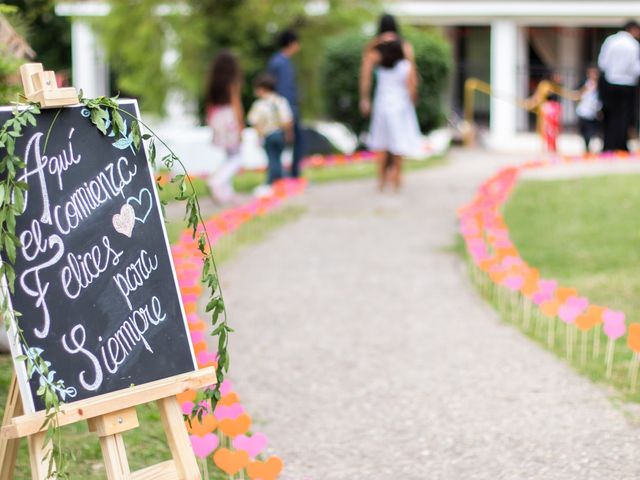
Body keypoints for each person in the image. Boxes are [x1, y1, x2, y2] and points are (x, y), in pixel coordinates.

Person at [359, 13, 421, 191]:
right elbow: (412, 74)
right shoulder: (405, 47)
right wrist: (413, 93)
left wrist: (364, 99)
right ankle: (397, 176)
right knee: (398, 138)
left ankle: (381, 179)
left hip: (382, 100)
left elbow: (365, 76)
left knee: (382, 139)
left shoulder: (374, 51)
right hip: (401, 101)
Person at [205, 50, 244, 203]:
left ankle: (226, 192)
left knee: (228, 155)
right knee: (236, 157)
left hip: (216, 117)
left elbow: (209, 103)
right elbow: (236, 104)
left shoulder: (212, 82)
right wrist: (241, 125)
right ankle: (217, 181)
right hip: (229, 117)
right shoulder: (232, 82)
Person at [597, 21, 640, 152]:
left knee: (609, 115)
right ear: (633, 29)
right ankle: (621, 145)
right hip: (627, 84)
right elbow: (635, 68)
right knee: (624, 116)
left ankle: (608, 145)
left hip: (610, 82)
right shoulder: (634, 45)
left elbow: (602, 63)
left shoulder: (610, 41)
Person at [247, 74, 293, 192]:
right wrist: (288, 134)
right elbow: (287, 120)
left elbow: (255, 122)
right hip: (280, 133)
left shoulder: (259, 104)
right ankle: (280, 180)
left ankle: (273, 182)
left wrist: (259, 136)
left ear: (262, 89)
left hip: (268, 135)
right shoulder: (281, 101)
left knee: (272, 159)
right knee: (277, 158)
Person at [267, 29, 303, 178]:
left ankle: (280, 175)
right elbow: (284, 89)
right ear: (292, 43)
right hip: (286, 110)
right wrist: (289, 111)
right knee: (295, 141)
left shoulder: (276, 61)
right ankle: (290, 175)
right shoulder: (282, 63)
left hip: (280, 109)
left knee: (281, 144)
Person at [575, 67, 602, 152]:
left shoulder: (600, 85)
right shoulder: (583, 83)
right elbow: (577, 94)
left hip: (593, 112)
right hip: (583, 111)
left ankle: (589, 145)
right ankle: (586, 146)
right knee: (583, 131)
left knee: (591, 131)